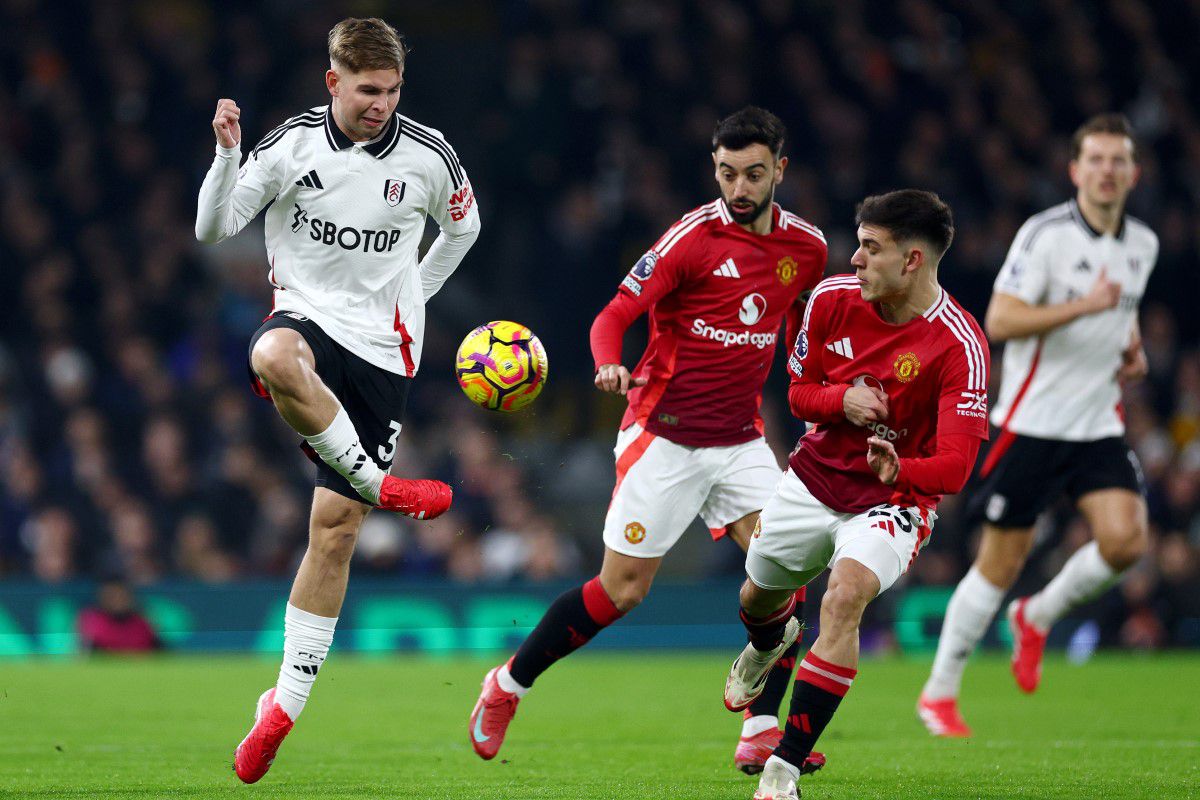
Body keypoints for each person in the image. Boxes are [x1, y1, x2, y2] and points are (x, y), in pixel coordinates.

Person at [468, 107, 828, 774]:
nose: (739, 188)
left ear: (780, 168)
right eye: (727, 174)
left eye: (753, 174)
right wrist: (608, 359)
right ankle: (506, 686)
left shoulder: (806, 249)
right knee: (621, 592)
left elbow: (800, 331)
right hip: (661, 435)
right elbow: (614, 314)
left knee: (792, 563)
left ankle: (761, 726)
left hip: (740, 438)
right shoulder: (690, 240)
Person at [194, 17, 481, 783]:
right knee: (271, 353)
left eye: (390, 90)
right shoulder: (291, 144)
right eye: (366, 90)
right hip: (310, 317)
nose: (381, 104)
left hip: (385, 352)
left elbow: (463, 228)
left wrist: (415, 292)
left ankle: (281, 708)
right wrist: (227, 155)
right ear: (334, 82)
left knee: (335, 532)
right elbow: (213, 225)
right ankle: (381, 483)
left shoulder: (428, 155)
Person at [723, 190, 990, 800]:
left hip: (892, 504)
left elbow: (955, 466)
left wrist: (903, 471)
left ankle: (781, 772)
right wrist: (840, 399)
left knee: (843, 599)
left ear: (913, 260)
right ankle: (770, 642)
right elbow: (798, 394)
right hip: (813, 480)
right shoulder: (832, 299)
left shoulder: (959, 346)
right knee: (758, 598)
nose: (857, 258)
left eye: (872, 247)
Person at [917, 114, 1156, 737]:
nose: (1107, 171)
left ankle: (1038, 616)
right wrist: (1085, 305)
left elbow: (1120, 315)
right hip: (1032, 423)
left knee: (1127, 540)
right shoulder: (1045, 235)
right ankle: (939, 693)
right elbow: (1000, 319)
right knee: (998, 564)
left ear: (1133, 173)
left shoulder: (1143, 245)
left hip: (1098, 423)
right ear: (1076, 171)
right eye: (1096, 160)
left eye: (1118, 160)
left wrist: (1131, 349)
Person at [76, 577, 163, 653]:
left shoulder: (143, 623)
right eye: (111, 596)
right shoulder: (92, 623)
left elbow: (160, 654)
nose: (117, 600)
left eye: (121, 595)